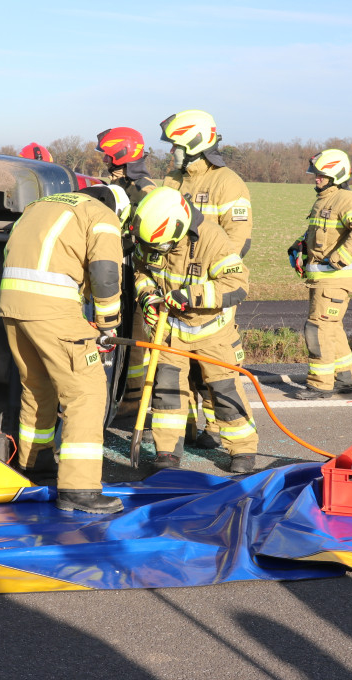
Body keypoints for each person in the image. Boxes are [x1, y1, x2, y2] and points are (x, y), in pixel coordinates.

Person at [0, 184, 131, 514]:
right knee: (85, 391)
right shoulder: (102, 216)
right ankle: (80, 488)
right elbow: (104, 270)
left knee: (37, 385)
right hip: (53, 308)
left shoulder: (43, 205)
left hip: (11, 303)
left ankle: (34, 463)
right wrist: (107, 323)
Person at [130, 186, 257, 474]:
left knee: (224, 391)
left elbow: (236, 285)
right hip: (169, 330)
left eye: (160, 247)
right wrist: (147, 295)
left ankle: (244, 450)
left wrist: (192, 296)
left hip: (212, 332)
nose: (153, 251)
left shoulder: (212, 239)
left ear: (179, 229)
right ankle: (167, 452)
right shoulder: (152, 238)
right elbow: (141, 272)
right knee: (167, 391)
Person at [159, 109, 253, 449]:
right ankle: (184, 431)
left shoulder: (227, 183)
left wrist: (202, 288)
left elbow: (237, 243)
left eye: (175, 145)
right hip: (174, 292)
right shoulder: (172, 180)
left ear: (193, 143)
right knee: (177, 374)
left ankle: (218, 431)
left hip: (210, 293)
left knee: (216, 373)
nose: (171, 152)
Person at [288, 149, 352, 399]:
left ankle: (320, 384)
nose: (315, 179)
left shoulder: (347, 199)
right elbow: (319, 234)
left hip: (334, 280)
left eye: (320, 175)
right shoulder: (325, 199)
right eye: (315, 174)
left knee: (318, 329)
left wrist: (336, 261)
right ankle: (345, 378)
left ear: (335, 175)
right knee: (332, 328)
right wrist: (299, 247)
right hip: (322, 280)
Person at [95, 127, 157, 418]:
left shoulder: (144, 190)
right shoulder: (118, 185)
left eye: (108, 156)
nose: (105, 162)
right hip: (118, 269)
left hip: (136, 271)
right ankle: (121, 397)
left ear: (121, 155)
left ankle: (134, 404)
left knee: (134, 340)